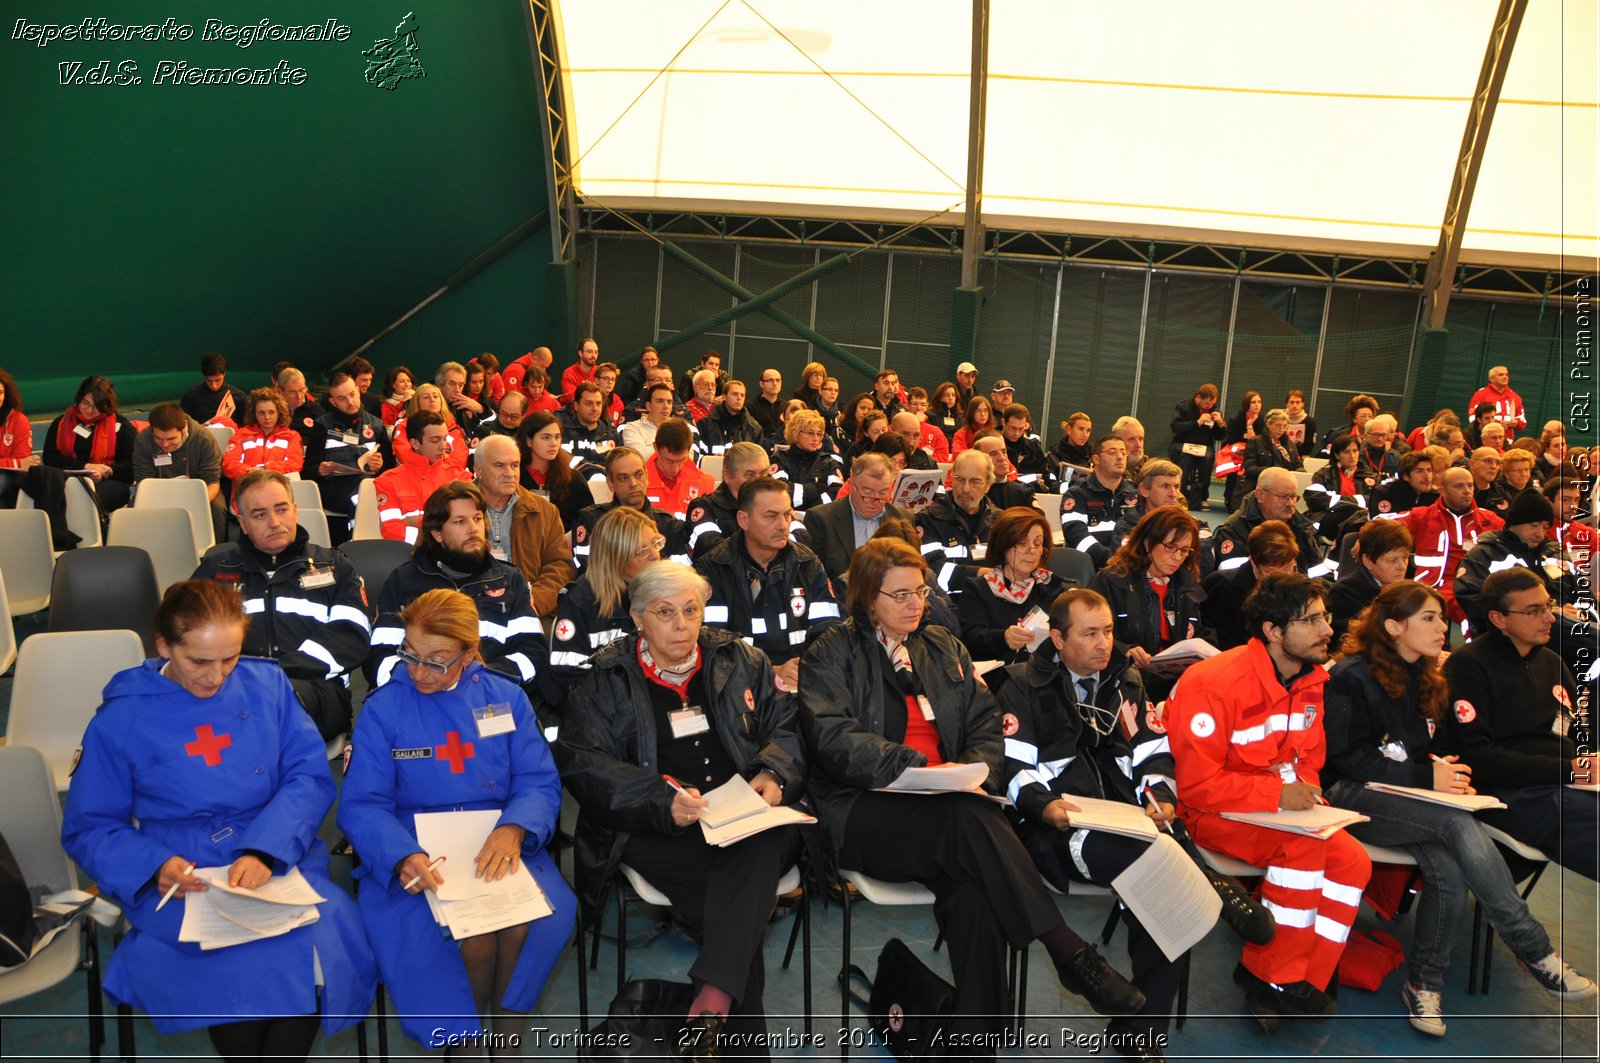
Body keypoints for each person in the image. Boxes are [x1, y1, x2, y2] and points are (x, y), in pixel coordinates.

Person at [799, 540, 1146, 1051]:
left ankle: (976, 1044)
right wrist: (921, 770)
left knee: (978, 889)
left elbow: (987, 723)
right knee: (970, 818)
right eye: (899, 595)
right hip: (862, 813)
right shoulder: (831, 650)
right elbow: (833, 740)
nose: (915, 603)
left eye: (919, 591)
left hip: (946, 814)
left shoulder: (942, 646)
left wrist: (968, 768)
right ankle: (1068, 950)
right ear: (868, 598)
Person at [61, 580, 376, 1056]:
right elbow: (91, 826)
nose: (217, 677)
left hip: (277, 854)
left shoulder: (268, 685)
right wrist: (154, 865)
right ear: (164, 646)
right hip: (184, 873)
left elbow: (307, 778)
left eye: (229, 658)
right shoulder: (121, 717)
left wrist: (265, 850)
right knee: (235, 985)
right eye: (199, 662)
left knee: (323, 950)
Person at [999, 587, 1274, 1055]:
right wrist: (1044, 806)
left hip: (1132, 822)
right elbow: (1012, 767)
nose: (1105, 643)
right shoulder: (1022, 684)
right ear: (1059, 640)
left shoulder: (1126, 681)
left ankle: (1141, 1034)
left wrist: (1161, 797)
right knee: (1170, 883)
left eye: (1108, 631)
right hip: (1060, 825)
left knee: (1164, 884)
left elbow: (1152, 752)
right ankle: (1209, 883)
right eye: (1090, 634)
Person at [1323, 580, 1595, 1036]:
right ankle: (1534, 948)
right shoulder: (1352, 675)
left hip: (1406, 798)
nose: (1442, 627)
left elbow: (1417, 749)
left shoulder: (1424, 675)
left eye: (1440, 617)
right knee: (1455, 823)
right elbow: (1346, 759)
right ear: (1393, 627)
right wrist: (1427, 778)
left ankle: (1423, 985)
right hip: (1348, 794)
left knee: (1447, 866)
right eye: (1428, 618)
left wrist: (1440, 769)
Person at [560, 561, 807, 1055]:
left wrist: (774, 773)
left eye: (691, 611)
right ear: (637, 619)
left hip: (751, 817)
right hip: (660, 828)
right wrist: (661, 802)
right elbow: (585, 766)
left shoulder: (740, 659)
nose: (681, 625)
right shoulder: (605, 680)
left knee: (754, 851)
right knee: (738, 905)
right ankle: (725, 1022)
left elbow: (790, 726)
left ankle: (712, 1004)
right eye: (665, 612)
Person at [340, 588, 574, 1054]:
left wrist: (515, 827)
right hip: (413, 848)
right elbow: (362, 803)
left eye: (437, 660)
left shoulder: (505, 699)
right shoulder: (384, 709)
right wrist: (400, 854)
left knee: (538, 921)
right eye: (410, 654)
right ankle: (462, 1041)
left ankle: (507, 1033)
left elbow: (537, 781)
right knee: (465, 937)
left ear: (470, 653)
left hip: (502, 839)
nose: (419, 671)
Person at [1164, 573, 1371, 1021]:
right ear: (1273, 632)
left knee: (1354, 861)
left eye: (1326, 617)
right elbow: (1198, 786)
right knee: (1301, 849)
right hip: (1210, 813)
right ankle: (1274, 975)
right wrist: (1278, 795)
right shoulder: (1215, 682)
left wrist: (1302, 794)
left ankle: (1304, 982)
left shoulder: (1312, 679)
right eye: (1312, 620)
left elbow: (1308, 759)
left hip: (1277, 811)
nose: (1327, 630)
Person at [192, 469, 370, 740]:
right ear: (242, 523)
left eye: (281, 509)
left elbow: (352, 634)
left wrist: (275, 672)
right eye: (260, 514)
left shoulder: (335, 567)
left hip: (318, 690)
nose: (275, 522)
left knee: (270, 705)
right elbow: (188, 636)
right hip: (233, 688)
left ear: (295, 510)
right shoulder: (215, 571)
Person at [369, 480, 548, 695]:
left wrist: (480, 679)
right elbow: (380, 657)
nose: (473, 529)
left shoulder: (509, 579)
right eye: (460, 522)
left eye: (477, 519)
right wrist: (431, 680)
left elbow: (533, 653)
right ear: (437, 534)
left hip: (490, 696)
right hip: (419, 696)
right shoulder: (403, 581)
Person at [695, 476, 840, 692]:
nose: (783, 526)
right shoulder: (714, 569)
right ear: (744, 520)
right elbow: (714, 646)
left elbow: (829, 630)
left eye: (787, 515)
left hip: (802, 681)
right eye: (771, 516)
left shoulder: (807, 562)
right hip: (741, 686)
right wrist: (770, 671)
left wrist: (806, 669)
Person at [542, 506, 660, 713]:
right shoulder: (581, 601)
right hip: (603, 712)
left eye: (656, 544)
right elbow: (570, 676)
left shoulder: (665, 591)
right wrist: (623, 703)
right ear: (616, 557)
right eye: (642, 551)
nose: (655, 556)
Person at [1090, 505, 1206, 699]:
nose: (1177, 557)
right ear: (1147, 543)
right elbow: (1088, 633)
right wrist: (1124, 651)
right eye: (1170, 547)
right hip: (1125, 682)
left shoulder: (1188, 584)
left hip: (1176, 685)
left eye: (1184, 550)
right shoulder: (1112, 581)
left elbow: (1202, 632)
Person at [473, 433, 575, 618]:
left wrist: (533, 601)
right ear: (478, 470)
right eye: (499, 465)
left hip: (528, 611)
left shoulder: (545, 511)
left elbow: (560, 565)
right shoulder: (452, 508)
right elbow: (431, 564)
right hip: (469, 613)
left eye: (514, 465)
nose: (510, 473)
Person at [957, 506, 1061, 669]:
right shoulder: (978, 588)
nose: (1031, 550)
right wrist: (1004, 638)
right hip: (999, 677)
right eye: (1022, 543)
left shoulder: (1053, 587)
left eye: (1038, 543)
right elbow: (971, 641)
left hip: (1046, 674)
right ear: (1003, 545)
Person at [1399, 466, 1503, 625]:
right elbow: (1381, 523)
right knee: (1475, 611)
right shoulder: (1423, 516)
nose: (1467, 491)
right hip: (1437, 585)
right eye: (1459, 486)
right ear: (1442, 490)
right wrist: (1363, 537)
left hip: (1480, 583)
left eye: (1470, 485)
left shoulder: (1489, 519)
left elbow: (1514, 539)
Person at [569, 446, 690, 571]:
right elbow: (588, 570)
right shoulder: (591, 521)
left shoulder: (669, 524)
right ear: (610, 483)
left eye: (638, 475)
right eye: (623, 478)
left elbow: (680, 574)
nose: (633, 483)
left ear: (647, 477)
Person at [304, 372, 392, 540]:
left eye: (352, 395)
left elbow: (389, 468)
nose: (350, 402)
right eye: (342, 399)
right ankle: (358, 542)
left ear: (358, 391)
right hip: (335, 489)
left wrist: (380, 467)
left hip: (370, 486)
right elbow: (308, 469)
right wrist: (320, 470)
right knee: (361, 494)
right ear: (333, 401)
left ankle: (363, 542)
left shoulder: (376, 425)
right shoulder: (322, 426)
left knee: (365, 490)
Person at [802, 452, 913, 583]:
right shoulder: (821, 519)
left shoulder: (904, 519)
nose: (875, 500)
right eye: (867, 492)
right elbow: (814, 577)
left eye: (883, 492)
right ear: (851, 486)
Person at [1206, 467, 1334, 579]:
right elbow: (1234, 580)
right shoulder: (1234, 532)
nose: (1291, 504)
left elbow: (1320, 573)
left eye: (1294, 497)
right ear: (1260, 495)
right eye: (1283, 497)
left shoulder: (1302, 528)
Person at [374, 410, 473, 543]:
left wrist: (417, 521)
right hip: (409, 557)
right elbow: (391, 530)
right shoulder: (388, 481)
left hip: (453, 557)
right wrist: (436, 536)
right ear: (415, 443)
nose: (443, 447)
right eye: (435, 441)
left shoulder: (461, 478)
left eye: (444, 439)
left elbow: (468, 524)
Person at [43, 374, 138, 511]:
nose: (89, 410)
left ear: (106, 404)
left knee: (86, 501)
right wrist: (85, 467)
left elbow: (131, 463)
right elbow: (50, 458)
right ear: (78, 399)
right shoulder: (61, 423)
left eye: (96, 406)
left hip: (110, 482)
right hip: (68, 478)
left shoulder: (122, 426)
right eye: (85, 403)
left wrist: (108, 471)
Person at [133, 403, 226, 541]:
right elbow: (143, 480)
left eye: (171, 439)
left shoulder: (204, 439)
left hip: (198, 493)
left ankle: (216, 553)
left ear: (183, 429)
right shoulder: (143, 440)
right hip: (158, 493)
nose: (165, 445)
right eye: (158, 438)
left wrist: (195, 502)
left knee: (217, 509)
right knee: (135, 505)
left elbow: (212, 482)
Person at [1202, 521, 1300, 652]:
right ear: (1253, 563)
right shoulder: (1221, 587)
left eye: (1289, 568)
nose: (1282, 579)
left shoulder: (1300, 590)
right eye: (1271, 572)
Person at [916, 449, 1000, 594]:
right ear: (951, 479)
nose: (966, 489)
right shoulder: (928, 519)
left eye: (975, 482)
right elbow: (931, 571)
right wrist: (978, 573)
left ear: (988, 485)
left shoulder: (1001, 521)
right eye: (960, 479)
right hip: (950, 603)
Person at [1327, 518, 1413, 640]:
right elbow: (1354, 641)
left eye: (1405, 558)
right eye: (1392, 560)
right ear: (1368, 561)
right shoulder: (1344, 593)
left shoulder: (1409, 590)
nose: (1402, 567)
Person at [1061, 434, 1138, 568]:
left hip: (1132, 565)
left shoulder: (1136, 494)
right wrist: (1111, 560)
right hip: (1093, 566)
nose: (1120, 457)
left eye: (1123, 452)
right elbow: (1077, 537)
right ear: (1096, 459)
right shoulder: (1077, 494)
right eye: (1112, 452)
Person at [685, 441, 769, 558]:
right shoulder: (704, 507)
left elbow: (800, 541)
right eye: (750, 475)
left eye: (764, 473)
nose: (759, 481)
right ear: (727, 475)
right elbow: (708, 547)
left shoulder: (777, 506)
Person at [518, 409, 595, 528]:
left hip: (563, 543)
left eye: (557, 437)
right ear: (529, 441)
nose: (554, 443)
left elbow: (587, 520)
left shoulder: (573, 478)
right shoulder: (514, 476)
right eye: (546, 437)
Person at [222, 387, 304, 486]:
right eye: (261, 413)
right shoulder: (240, 435)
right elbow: (228, 464)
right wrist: (250, 473)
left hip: (278, 490)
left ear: (279, 412)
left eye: (271, 412)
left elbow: (294, 464)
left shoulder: (292, 436)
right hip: (247, 490)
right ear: (254, 414)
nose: (267, 417)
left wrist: (265, 469)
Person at [1304, 432, 1379, 541]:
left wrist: (1338, 500)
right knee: (1356, 515)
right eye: (1346, 452)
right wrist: (1357, 501)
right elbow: (1315, 499)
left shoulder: (1371, 477)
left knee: (1363, 519)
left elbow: (1375, 501)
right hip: (1329, 519)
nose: (1352, 456)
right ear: (1337, 455)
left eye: (1355, 451)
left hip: (1362, 521)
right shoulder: (1323, 474)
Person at [771, 408, 843, 511]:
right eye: (810, 433)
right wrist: (819, 487)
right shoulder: (779, 459)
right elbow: (781, 493)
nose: (816, 439)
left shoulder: (829, 462)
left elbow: (837, 493)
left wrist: (812, 510)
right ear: (795, 433)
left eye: (819, 434)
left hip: (820, 519)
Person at [1168, 384, 1226, 510]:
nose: (1209, 407)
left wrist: (1221, 424)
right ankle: (1179, 495)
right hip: (1181, 444)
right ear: (1198, 398)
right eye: (1206, 404)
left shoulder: (1215, 411)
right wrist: (1197, 422)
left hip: (1204, 448)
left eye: (1212, 404)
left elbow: (1220, 437)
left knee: (1207, 459)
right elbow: (1175, 427)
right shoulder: (1183, 407)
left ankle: (1202, 497)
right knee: (1186, 458)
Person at [645, 418, 714, 520]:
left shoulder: (705, 483)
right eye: (669, 460)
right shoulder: (637, 484)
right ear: (655, 448)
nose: (675, 468)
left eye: (682, 460)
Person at [1241, 408, 1303, 495]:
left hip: (1285, 487)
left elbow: (1298, 465)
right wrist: (1275, 472)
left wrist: (1301, 473)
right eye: (1278, 425)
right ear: (1268, 424)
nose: (1281, 429)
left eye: (1285, 426)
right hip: (1262, 488)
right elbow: (1250, 469)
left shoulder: (1290, 444)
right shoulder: (1255, 442)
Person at [178, 352, 249, 427]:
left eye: (218, 380)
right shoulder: (190, 396)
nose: (214, 386)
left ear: (224, 374)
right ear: (204, 376)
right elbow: (183, 426)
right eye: (209, 381)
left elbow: (245, 427)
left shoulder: (239, 397)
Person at [1222, 390, 1264, 512]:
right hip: (1236, 450)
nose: (1257, 405)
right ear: (1247, 404)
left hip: (1253, 452)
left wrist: (1250, 426)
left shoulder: (1261, 420)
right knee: (1235, 468)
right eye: (1253, 402)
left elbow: (1258, 442)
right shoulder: (1236, 418)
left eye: (1259, 402)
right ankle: (1229, 499)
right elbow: (1231, 439)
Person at [1369, 450, 1437, 521]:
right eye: (1420, 471)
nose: (1427, 476)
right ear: (1406, 476)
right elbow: (1382, 527)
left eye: (1429, 470)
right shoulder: (1385, 494)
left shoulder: (1436, 496)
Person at [1001, 402, 1056, 488]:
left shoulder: (1033, 447)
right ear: (1003, 422)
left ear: (1026, 425)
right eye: (1013, 428)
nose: (1017, 433)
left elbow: (1045, 475)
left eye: (1021, 428)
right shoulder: (994, 445)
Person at [1467, 365, 1526, 433]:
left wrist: (1517, 422)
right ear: (1491, 379)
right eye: (1501, 375)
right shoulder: (1481, 394)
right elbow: (1473, 418)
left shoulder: (1515, 397)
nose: (1505, 377)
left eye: (1506, 375)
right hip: (1484, 437)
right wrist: (1497, 424)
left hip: (1507, 440)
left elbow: (1523, 421)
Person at [619, 381, 677, 451]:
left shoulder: (679, 428)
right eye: (660, 401)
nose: (666, 406)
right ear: (648, 406)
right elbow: (641, 456)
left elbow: (689, 454)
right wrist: (675, 450)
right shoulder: (633, 428)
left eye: (669, 402)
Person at [437, 361, 486, 440]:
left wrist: (481, 409)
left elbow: (485, 428)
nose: (457, 389)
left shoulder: (463, 405)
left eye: (461, 385)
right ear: (439, 384)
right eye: (452, 384)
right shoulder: (431, 405)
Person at [748, 368, 784, 438]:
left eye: (778, 380)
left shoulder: (785, 406)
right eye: (770, 380)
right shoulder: (751, 406)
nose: (775, 384)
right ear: (761, 384)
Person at [1113, 416, 1151, 482]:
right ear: (1118, 442)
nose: (1138, 445)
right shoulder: (1108, 469)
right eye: (1132, 440)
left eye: (1141, 439)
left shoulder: (1151, 470)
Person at [1282, 389, 1317, 453]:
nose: (1295, 405)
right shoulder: (1280, 418)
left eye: (1298, 402)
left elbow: (1309, 445)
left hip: (1299, 455)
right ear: (1287, 404)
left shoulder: (1310, 422)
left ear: (1302, 404)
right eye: (1292, 402)